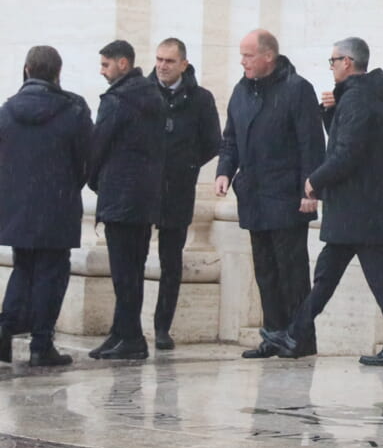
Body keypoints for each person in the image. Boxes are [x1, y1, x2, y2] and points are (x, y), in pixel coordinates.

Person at [261, 38, 383, 366]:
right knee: (329, 275)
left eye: (332, 61)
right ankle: (296, 332)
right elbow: (347, 142)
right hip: (359, 203)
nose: (330, 67)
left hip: (356, 204)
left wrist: (315, 180)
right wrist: (331, 113)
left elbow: (348, 153)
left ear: (347, 62)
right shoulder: (366, 96)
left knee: (369, 275)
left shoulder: (359, 98)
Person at [216, 29, 324, 359]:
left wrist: (312, 189)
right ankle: (274, 335)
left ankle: (299, 338)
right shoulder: (241, 90)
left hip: (288, 196)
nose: (242, 61)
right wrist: (224, 170)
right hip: (254, 195)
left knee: (291, 270)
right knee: (264, 270)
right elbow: (231, 138)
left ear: (268, 56)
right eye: (242, 55)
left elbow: (311, 143)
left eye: (248, 55)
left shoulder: (297, 89)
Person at [0, 46, 93, 367]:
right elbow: (87, 160)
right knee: (52, 273)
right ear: (58, 73)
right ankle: (41, 344)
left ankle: (4, 331)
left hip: (17, 206)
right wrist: (68, 186)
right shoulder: (74, 110)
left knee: (23, 267)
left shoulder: (6, 111)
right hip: (58, 203)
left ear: (27, 69)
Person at [88, 39, 167, 360]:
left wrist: (96, 181)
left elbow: (97, 146)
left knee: (124, 272)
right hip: (144, 198)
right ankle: (121, 332)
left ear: (124, 64)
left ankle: (132, 338)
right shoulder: (153, 96)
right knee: (132, 269)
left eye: (106, 64)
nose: (101, 70)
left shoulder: (116, 100)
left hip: (120, 198)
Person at [148, 37, 220, 350]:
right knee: (130, 260)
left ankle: (162, 326)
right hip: (143, 188)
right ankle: (125, 328)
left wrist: (187, 165)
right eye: (159, 60)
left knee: (171, 262)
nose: (163, 66)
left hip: (178, 189)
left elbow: (213, 141)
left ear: (184, 64)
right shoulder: (143, 92)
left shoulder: (201, 99)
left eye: (169, 61)